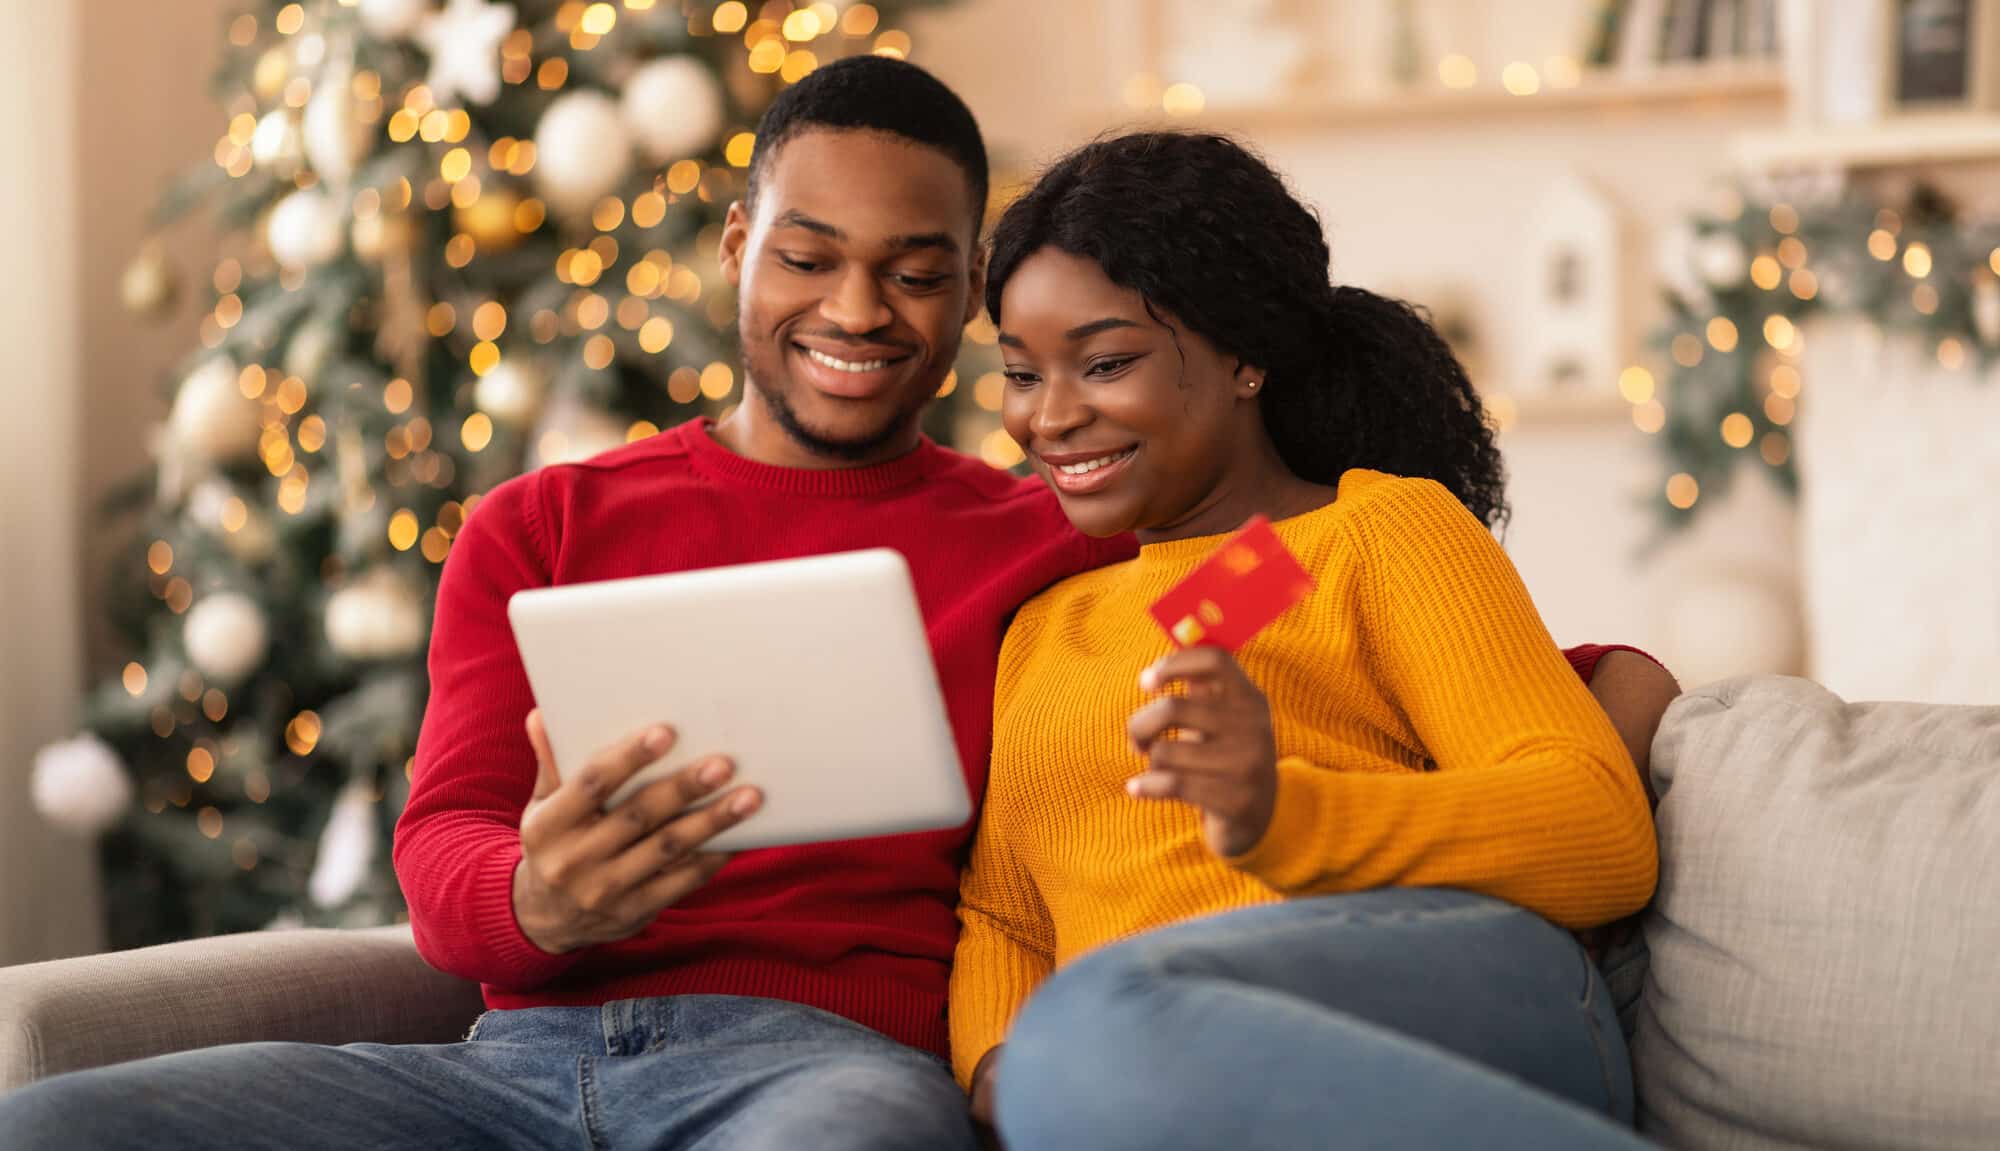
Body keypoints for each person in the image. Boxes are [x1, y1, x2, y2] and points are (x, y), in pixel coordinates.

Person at [0, 61, 1675, 1149]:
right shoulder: (542, 523)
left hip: (821, 1073)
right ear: (739, 249)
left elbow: (1315, 589)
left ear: (959, 291)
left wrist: (1597, 688)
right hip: (515, 1066)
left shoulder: (1051, 541)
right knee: (61, 1124)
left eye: (920, 271)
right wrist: (536, 896)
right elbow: (446, 852)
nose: (856, 309)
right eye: (808, 254)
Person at [949, 131, 1671, 1151]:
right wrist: (998, 1068)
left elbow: (1599, 833)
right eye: (1021, 374)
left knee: (1096, 1022)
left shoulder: (1375, 533)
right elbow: (1006, 919)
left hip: (1449, 1004)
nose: (1050, 416)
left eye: (1104, 363)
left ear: (1244, 354)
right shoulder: (1044, 628)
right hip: (1149, 1069)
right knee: (1086, 1037)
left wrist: (1285, 811)